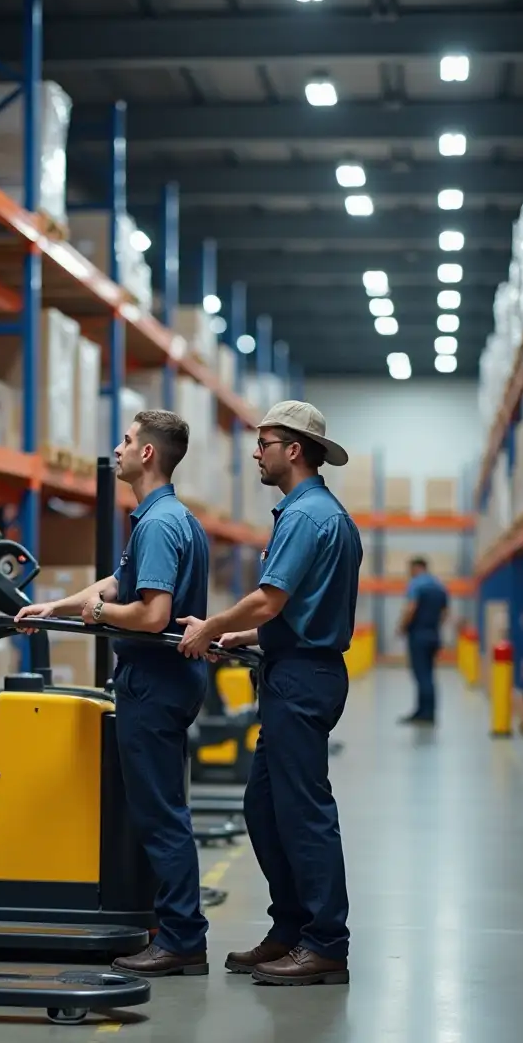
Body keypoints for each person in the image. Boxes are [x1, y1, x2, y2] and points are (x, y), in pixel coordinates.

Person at [14, 409, 211, 977]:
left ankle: (180, 939)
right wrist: (60, 605)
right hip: (166, 682)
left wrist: (99, 614)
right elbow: (117, 582)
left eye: (126, 441)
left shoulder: (157, 525)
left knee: (160, 814)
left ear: (147, 454)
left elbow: (150, 615)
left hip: (153, 683)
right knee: (160, 807)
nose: (118, 448)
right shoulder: (172, 518)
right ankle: (169, 924)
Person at [177, 400, 362, 986]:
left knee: (304, 812)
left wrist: (208, 626)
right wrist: (241, 635)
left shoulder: (307, 517)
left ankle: (326, 941)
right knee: (264, 807)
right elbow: (295, 610)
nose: (256, 452)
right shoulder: (313, 513)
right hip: (295, 668)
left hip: (302, 679)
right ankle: (291, 929)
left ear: (294, 450)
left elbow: (271, 598)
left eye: (265, 443)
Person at [397, 556, 449, 725]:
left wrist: (402, 627)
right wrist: (434, 626)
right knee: (428, 674)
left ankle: (425, 714)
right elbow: (445, 613)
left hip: (418, 635)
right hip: (433, 634)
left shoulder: (417, 584)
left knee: (421, 674)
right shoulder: (439, 586)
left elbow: (411, 607)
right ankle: (424, 711)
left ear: (417, 568)